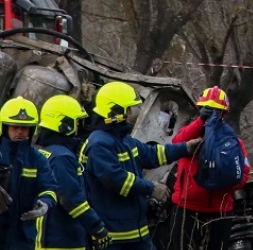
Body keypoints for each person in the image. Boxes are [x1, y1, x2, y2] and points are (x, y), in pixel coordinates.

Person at [81, 81, 200, 250]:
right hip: (114, 237)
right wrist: (151, 187)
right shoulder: (99, 144)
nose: (135, 113)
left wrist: (185, 148)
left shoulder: (124, 140)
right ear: (115, 112)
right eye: (130, 109)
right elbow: (115, 179)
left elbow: (152, 154)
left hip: (136, 233)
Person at [160, 86, 250, 250]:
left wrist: (224, 186)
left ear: (223, 113)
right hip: (187, 207)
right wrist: (199, 122)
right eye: (206, 109)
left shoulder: (232, 142)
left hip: (220, 209)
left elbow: (244, 173)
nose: (211, 114)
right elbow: (176, 143)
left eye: (215, 110)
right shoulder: (190, 135)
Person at [35, 94, 111, 250]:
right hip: (62, 240)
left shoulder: (45, 152)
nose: (80, 126)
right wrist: (98, 228)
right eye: (76, 121)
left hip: (48, 236)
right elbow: (72, 199)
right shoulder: (62, 158)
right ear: (65, 124)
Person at [0, 96, 58, 250]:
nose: (19, 132)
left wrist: (44, 203)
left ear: (32, 130)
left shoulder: (37, 158)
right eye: (14, 127)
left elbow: (49, 187)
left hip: (22, 236)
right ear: (4, 127)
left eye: (24, 128)